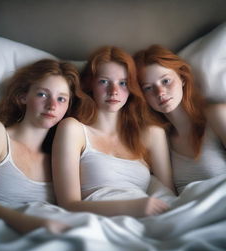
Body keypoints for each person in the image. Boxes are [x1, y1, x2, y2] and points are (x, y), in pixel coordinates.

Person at [52, 46, 175, 218]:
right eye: (104, 82)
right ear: (90, 85)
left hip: (149, 221)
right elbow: (68, 205)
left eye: (123, 83)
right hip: (98, 223)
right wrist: (131, 207)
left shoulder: (151, 134)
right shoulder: (73, 130)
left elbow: (169, 198)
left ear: (131, 87)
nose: (114, 91)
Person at [0, 59, 87, 234]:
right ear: (23, 96)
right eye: (43, 94)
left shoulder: (59, 158)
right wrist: (28, 223)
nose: (52, 106)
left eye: (61, 99)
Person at [134, 45, 226, 194]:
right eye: (148, 88)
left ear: (182, 78)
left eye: (165, 81)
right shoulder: (159, 138)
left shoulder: (217, 116)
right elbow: (168, 196)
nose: (160, 92)